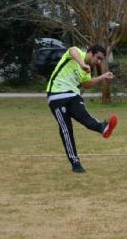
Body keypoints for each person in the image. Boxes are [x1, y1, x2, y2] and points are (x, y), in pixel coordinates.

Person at [46, 45, 118, 173]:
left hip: (73, 95)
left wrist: (102, 77)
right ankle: (75, 163)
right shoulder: (77, 53)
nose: (99, 62)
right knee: (66, 129)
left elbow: (86, 84)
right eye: (98, 58)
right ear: (90, 53)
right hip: (56, 95)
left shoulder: (88, 69)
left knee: (87, 120)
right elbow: (71, 51)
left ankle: (103, 127)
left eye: (101, 60)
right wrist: (81, 64)